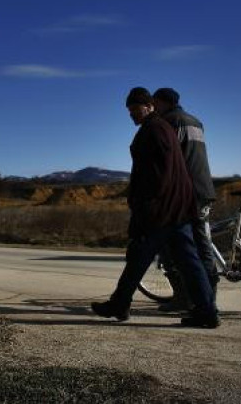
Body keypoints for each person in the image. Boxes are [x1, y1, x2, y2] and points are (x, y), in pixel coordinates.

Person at [91, 87, 219, 328]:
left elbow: (158, 174)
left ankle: (119, 304)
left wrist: (146, 206)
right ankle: (207, 312)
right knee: (188, 261)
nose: (131, 114)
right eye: (129, 111)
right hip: (177, 207)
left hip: (163, 209)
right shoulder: (160, 128)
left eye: (134, 109)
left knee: (140, 256)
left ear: (149, 105)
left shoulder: (155, 129)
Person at [153, 87, 219, 308]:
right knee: (203, 245)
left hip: (183, 192)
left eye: (155, 104)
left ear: (162, 103)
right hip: (204, 189)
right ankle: (208, 299)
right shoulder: (196, 122)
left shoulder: (168, 122)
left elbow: (167, 161)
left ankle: (183, 298)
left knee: (172, 244)